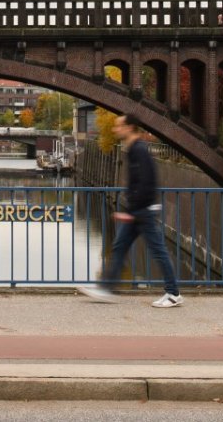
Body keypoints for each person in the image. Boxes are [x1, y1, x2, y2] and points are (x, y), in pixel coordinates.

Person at [78, 114, 182, 308]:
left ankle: (173, 293)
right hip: (139, 211)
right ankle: (106, 289)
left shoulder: (139, 150)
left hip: (143, 212)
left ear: (129, 128)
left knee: (158, 251)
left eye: (119, 126)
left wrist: (132, 211)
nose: (115, 130)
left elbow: (146, 183)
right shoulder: (134, 149)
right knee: (119, 248)